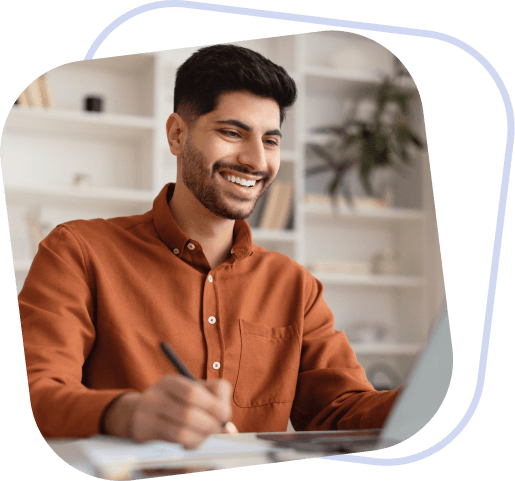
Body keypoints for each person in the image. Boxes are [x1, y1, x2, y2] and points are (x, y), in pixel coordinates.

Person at [18, 44, 402, 450]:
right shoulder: (77, 251)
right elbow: (39, 389)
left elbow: (341, 410)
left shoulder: (295, 285)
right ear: (177, 134)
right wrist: (126, 413)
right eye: (232, 133)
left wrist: (427, 401)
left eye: (270, 140)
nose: (256, 160)